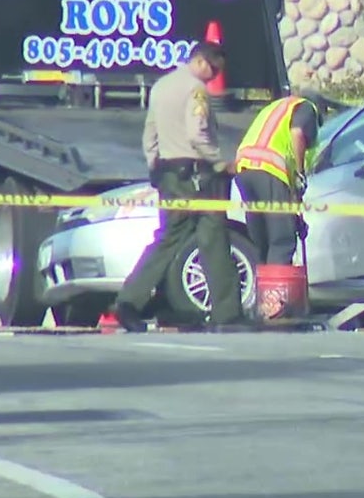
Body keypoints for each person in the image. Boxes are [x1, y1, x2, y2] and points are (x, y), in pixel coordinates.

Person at [112, 41, 250, 333]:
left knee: (168, 238)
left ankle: (129, 301)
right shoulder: (196, 89)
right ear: (201, 61)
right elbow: (197, 134)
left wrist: (155, 166)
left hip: (169, 173)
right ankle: (227, 312)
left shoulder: (161, 86)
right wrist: (220, 163)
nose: (215, 77)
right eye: (214, 70)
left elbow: (150, 133)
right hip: (199, 174)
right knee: (213, 237)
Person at [234, 90, 320, 265]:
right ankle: (275, 282)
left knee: (261, 238)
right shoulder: (306, 107)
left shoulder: (277, 107)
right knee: (282, 240)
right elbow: (297, 133)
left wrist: (294, 211)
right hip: (269, 169)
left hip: (244, 168)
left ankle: (261, 279)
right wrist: (300, 173)